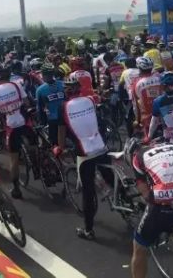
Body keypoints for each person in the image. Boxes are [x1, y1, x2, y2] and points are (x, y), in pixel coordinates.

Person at [126, 137, 173, 278]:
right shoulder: (172, 147)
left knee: (139, 246)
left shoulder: (137, 157)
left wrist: (150, 197)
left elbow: (146, 194)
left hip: (160, 211)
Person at [62, 75, 113, 240]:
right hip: (100, 145)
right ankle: (126, 200)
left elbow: (61, 130)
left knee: (88, 192)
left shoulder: (64, 107)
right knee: (111, 178)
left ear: (67, 91)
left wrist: (59, 147)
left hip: (84, 152)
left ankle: (88, 230)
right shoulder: (90, 100)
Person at [0, 65, 33, 199]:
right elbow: (26, 102)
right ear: (9, 76)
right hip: (25, 122)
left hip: (10, 127)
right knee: (35, 145)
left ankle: (16, 190)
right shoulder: (16, 85)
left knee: (13, 160)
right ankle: (39, 165)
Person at [36, 63, 65, 147]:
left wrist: (42, 122)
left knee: (55, 145)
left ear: (43, 75)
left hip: (53, 120)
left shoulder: (40, 90)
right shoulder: (63, 84)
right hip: (66, 117)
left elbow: (40, 108)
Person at [131, 57, 161, 138]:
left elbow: (135, 105)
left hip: (147, 119)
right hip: (163, 115)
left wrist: (137, 120)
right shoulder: (159, 78)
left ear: (139, 69)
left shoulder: (137, 83)